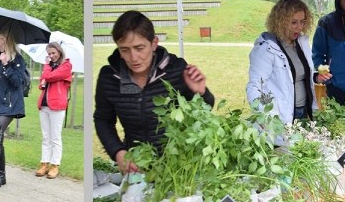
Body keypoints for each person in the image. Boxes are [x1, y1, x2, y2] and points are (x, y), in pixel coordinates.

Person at [95, 10, 213, 174]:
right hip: (136, 165)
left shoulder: (175, 69)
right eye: (124, 50)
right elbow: (103, 120)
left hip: (178, 165)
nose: (133, 57)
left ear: (154, 43)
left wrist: (201, 93)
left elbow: (203, 112)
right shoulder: (109, 77)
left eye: (139, 48)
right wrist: (118, 152)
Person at [247, 0, 317, 125]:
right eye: (294, 22)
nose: (299, 27)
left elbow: (301, 73)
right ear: (280, 22)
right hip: (281, 117)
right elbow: (255, 87)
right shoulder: (266, 48)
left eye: (302, 22)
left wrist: (317, 77)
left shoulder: (301, 43)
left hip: (304, 112)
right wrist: (268, 117)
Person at [0, 30, 27, 188]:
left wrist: (7, 64)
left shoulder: (17, 59)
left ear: (3, 40)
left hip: (9, 106)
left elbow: (18, 83)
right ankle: (1, 176)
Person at [35, 41, 73, 179]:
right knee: (46, 137)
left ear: (59, 52)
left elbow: (49, 77)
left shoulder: (66, 66)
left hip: (57, 105)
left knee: (55, 137)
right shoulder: (50, 67)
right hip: (44, 104)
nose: (51, 56)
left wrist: (46, 69)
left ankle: (55, 165)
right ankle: (44, 163)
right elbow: (41, 83)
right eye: (49, 54)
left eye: (53, 53)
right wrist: (45, 77)